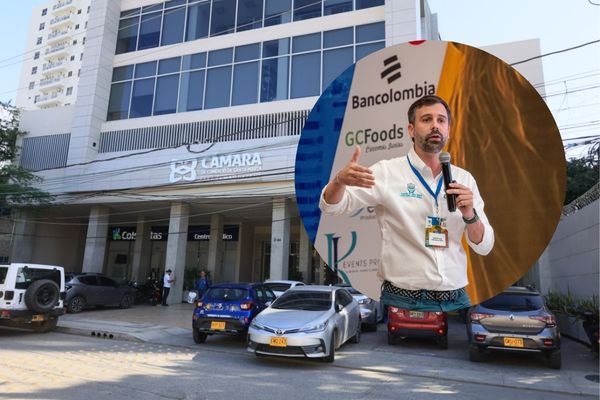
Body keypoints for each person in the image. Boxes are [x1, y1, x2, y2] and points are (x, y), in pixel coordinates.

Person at [319, 95, 494, 311]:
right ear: (411, 130)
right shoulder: (387, 172)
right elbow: (332, 206)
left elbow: (484, 246)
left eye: (441, 120)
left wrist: (470, 215)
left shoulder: (464, 179)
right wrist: (339, 181)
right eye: (427, 119)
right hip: (403, 300)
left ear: (448, 130)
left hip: (457, 299)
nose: (435, 126)